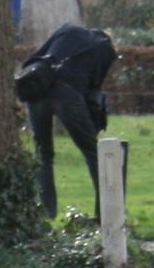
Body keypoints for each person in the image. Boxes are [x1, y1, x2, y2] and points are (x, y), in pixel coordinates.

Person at [16, 23, 117, 219]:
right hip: (68, 93)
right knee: (92, 152)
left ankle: (47, 212)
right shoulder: (105, 49)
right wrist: (93, 124)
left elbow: (34, 59)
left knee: (43, 154)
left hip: (38, 90)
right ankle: (104, 212)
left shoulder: (68, 30)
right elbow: (93, 91)